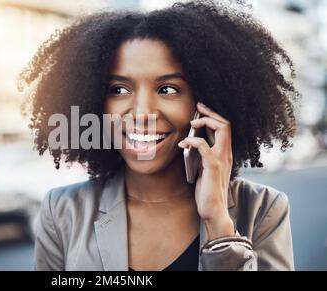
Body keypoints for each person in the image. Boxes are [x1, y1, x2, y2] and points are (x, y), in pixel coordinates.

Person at [19, 1, 298, 271]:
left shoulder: (263, 209)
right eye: (119, 90)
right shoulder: (62, 211)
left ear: (207, 100)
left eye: (167, 89)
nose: (141, 113)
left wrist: (218, 223)